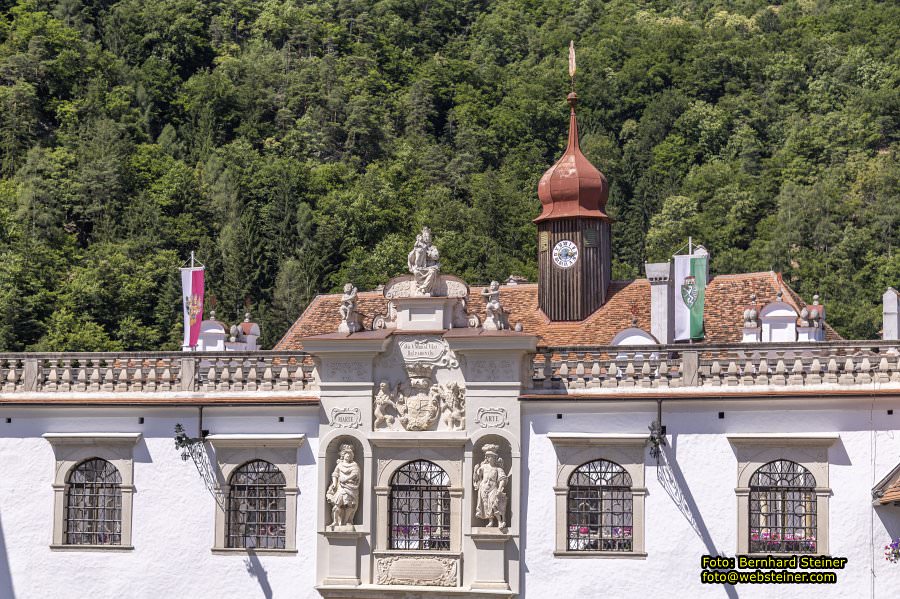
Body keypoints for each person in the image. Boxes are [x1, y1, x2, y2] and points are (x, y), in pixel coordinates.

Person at [326, 443, 361, 529]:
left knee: (349, 505)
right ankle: (335, 521)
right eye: (346, 454)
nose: (348, 456)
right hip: (341, 487)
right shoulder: (339, 465)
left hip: (351, 487)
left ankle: (348, 521)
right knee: (337, 504)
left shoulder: (354, 465)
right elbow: (335, 474)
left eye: (350, 455)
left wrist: (346, 479)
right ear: (343, 455)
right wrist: (334, 483)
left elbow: (355, 474)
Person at [474, 444, 509, 527]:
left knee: (494, 504)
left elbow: (503, 479)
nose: (489, 458)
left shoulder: (498, 469)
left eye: (491, 456)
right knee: (486, 505)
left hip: (493, 488)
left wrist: (500, 489)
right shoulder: (483, 467)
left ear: (494, 458)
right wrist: (475, 471)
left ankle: (500, 521)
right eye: (488, 456)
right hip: (483, 488)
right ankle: (491, 521)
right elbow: (477, 478)